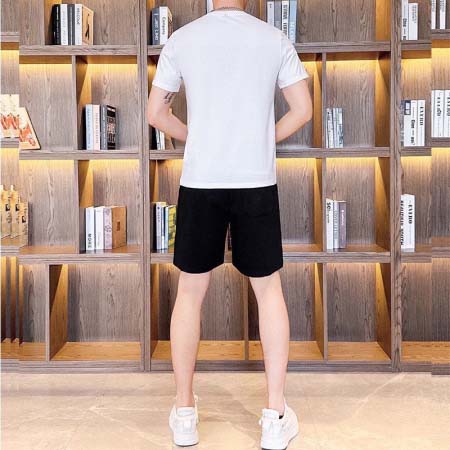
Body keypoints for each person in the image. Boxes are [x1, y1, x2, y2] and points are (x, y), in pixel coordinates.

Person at [147, 0, 313, 448]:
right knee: (269, 292)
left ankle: (184, 414)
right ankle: (275, 417)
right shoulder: (274, 38)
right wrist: (260, 138)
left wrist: (198, 136)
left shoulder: (182, 39)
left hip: (200, 181)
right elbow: (303, 109)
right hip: (255, 181)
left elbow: (156, 113)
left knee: (189, 292)